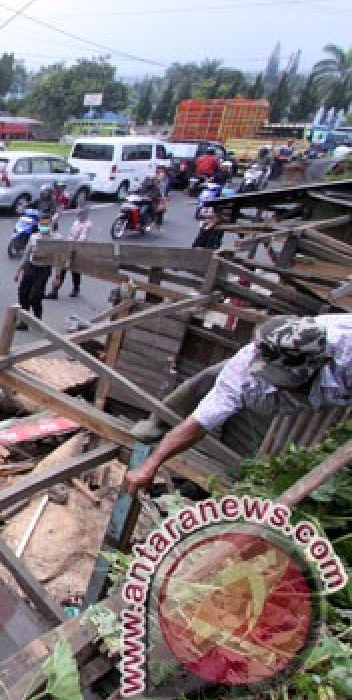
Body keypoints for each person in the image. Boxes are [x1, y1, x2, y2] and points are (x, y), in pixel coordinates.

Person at [123, 315, 352, 495]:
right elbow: (199, 423)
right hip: (258, 392)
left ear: (323, 361)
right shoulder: (247, 368)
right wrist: (151, 465)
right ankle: (156, 423)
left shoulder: (345, 348)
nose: (281, 385)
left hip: (328, 387)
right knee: (213, 381)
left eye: (285, 379)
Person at [14, 213, 58, 330]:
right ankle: (24, 321)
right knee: (23, 294)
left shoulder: (56, 239)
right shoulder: (34, 237)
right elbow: (26, 254)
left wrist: (56, 276)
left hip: (43, 270)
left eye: (46, 224)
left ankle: (37, 321)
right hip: (31, 267)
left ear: (51, 224)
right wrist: (19, 270)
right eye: (42, 224)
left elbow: (59, 258)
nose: (44, 226)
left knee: (35, 297)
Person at [47, 206, 91, 300]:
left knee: (75, 270)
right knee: (62, 268)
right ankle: (55, 291)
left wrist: (74, 245)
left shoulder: (87, 225)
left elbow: (82, 237)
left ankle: (76, 288)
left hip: (77, 248)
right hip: (68, 245)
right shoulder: (76, 222)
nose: (78, 215)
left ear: (85, 214)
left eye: (81, 213)